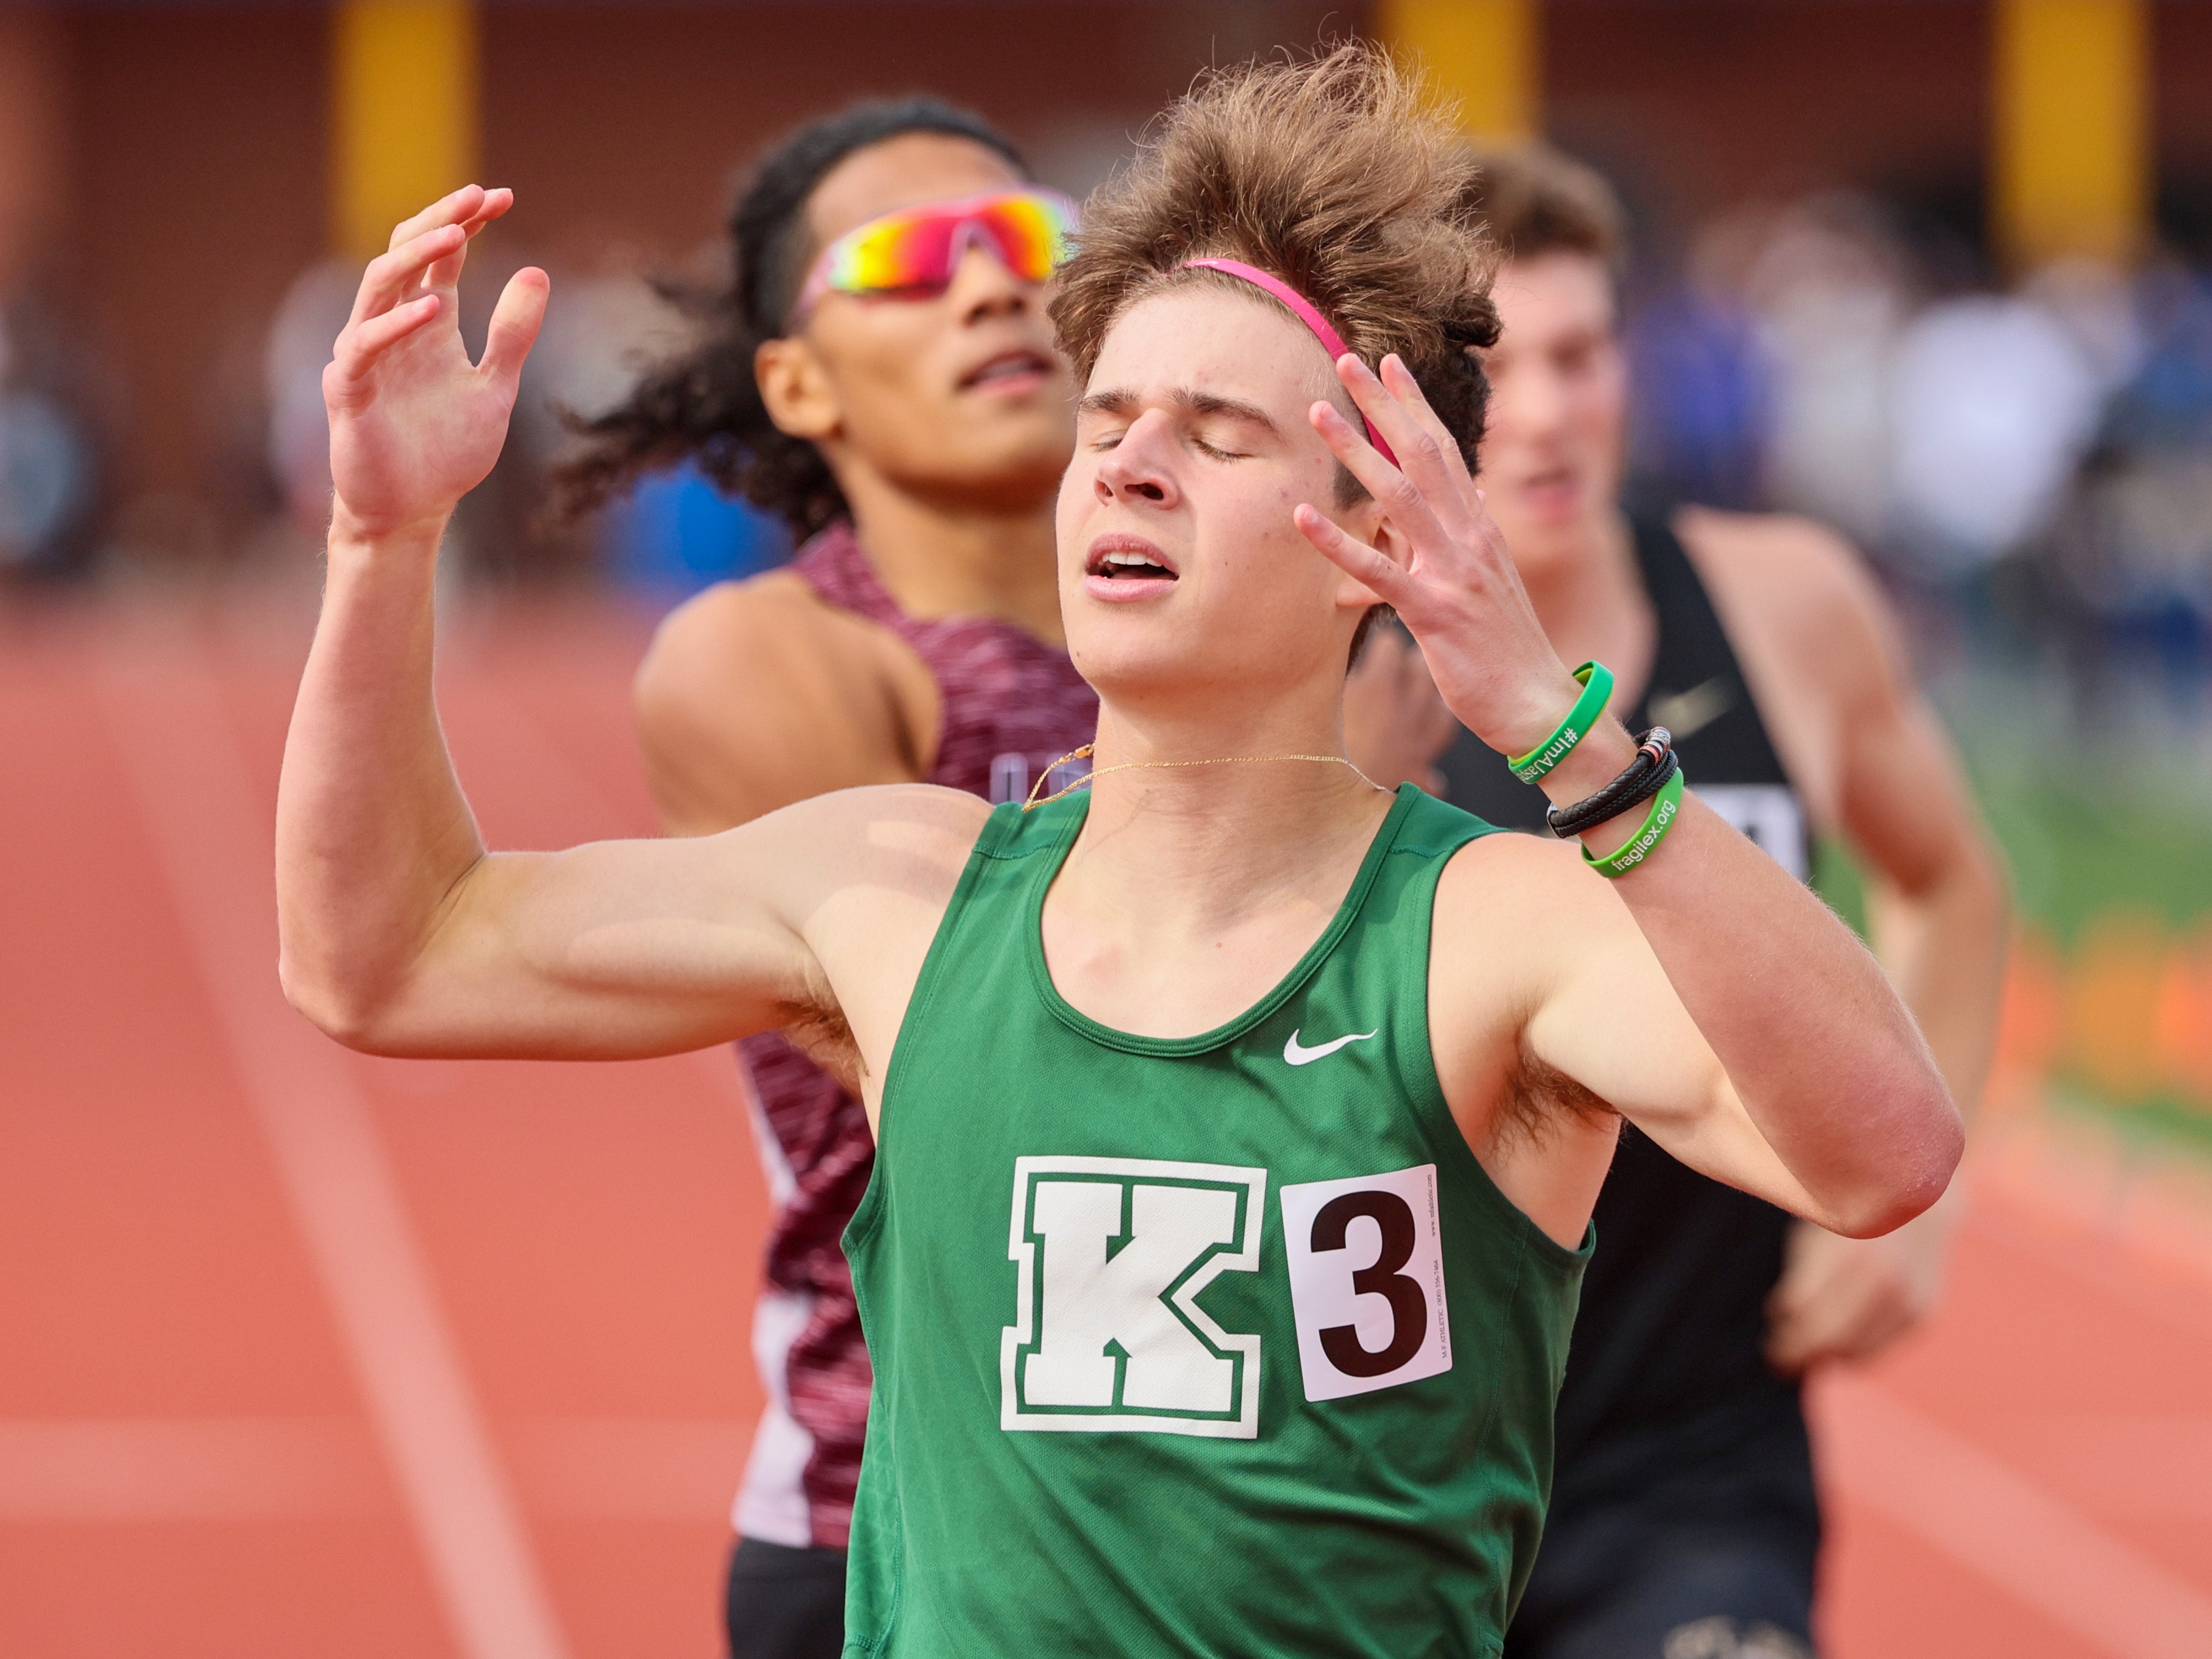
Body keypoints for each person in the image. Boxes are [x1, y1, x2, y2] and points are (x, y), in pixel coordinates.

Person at [278, 47, 1960, 1657]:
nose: (1131, 467)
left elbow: (1884, 1153)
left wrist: (1565, 738)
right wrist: (382, 540)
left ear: (1372, 535)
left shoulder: (1491, 932)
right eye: (1106, 424)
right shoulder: (895, 895)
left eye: (1216, 434)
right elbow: (388, 954)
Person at [1420, 146, 2007, 1659]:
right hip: (1406, 1453)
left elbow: (1947, 879)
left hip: (1692, 1453)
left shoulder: (1781, 602)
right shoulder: (1344, 660)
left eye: (1579, 354)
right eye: (1494, 368)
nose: (1544, 412)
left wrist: (1908, 1220)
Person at [556, 99, 1098, 1659]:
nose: (990, 286)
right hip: (911, 1527)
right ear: (797, 382)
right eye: (910, 263)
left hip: (1247, 1497)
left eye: (1028, 240)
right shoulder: (776, 660)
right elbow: (984, 1095)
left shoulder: (1233, 633)